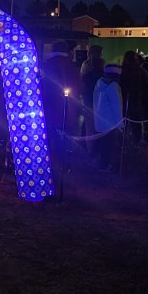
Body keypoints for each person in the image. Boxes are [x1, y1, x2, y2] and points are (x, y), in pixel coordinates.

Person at [41, 40, 82, 190]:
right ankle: (63, 168)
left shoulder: (46, 65)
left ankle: (49, 170)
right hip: (67, 111)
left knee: (49, 142)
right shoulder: (71, 67)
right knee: (63, 142)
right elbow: (78, 88)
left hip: (48, 110)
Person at [93, 64, 124, 171]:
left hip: (100, 121)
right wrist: (120, 125)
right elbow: (117, 107)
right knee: (109, 146)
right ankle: (106, 166)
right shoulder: (113, 86)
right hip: (111, 123)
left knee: (103, 145)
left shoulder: (99, 83)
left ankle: (102, 164)